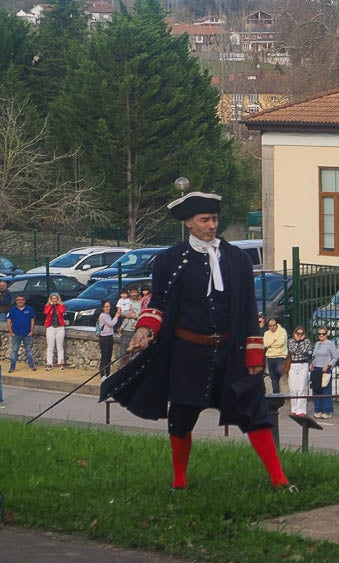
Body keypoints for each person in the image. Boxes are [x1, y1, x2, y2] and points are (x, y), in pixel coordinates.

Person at [100, 190, 290, 491]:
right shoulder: (169, 261)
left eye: (214, 219)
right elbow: (158, 302)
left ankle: (280, 480)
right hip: (187, 354)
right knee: (181, 416)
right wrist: (144, 329)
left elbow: (248, 308)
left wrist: (254, 354)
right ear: (189, 223)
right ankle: (179, 482)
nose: (211, 225)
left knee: (256, 412)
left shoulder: (237, 260)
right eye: (204, 220)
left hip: (231, 353)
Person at [309, 327, 339, 419]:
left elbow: (335, 357)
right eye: (319, 334)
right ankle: (318, 410)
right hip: (316, 369)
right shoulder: (317, 344)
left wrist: (329, 365)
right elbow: (315, 356)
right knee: (316, 390)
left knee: (325, 390)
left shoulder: (330, 344)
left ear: (327, 334)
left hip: (325, 369)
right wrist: (312, 364)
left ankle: (327, 410)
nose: (321, 335)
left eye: (323, 334)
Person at [7, 293, 38, 371]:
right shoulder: (12, 309)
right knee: (14, 351)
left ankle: (31, 366)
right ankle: (12, 367)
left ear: (24, 301)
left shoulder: (29, 309)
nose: (20, 301)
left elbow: (32, 321)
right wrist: (11, 333)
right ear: (16, 301)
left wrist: (31, 331)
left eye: (21, 300)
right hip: (16, 334)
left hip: (27, 334)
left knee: (29, 351)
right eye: (18, 300)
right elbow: (8, 321)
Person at [286, 325, 312, 417]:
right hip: (293, 365)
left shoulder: (307, 341)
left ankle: (301, 410)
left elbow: (304, 351)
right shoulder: (290, 341)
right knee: (293, 388)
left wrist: (300, 341)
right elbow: (293, 351)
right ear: (295, 334)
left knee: (301, 388)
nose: (300, 335)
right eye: (298, 333)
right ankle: (294, 408)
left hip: (303, 365)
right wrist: (297, 341)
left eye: (302, 334)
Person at [262, 316, 288, 395]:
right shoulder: (266, 333)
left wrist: (271, 344)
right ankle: (276, 394)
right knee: (273, 377)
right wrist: (275, 340)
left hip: (280, 356)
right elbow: (265, 344)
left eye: (274, 325)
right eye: (270, 326)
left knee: (278, 371)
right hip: (270, 357)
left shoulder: (282, 331)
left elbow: (280, 343)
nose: (272, 327)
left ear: (276, 324)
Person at [43, 292, 67, 369]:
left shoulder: (61, 306)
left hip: (60, 328)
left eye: (55, 298)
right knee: (50, 347)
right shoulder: (47, 306)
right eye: (52, 298)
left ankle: (61, 363)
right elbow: (46, 312)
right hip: (50, 327)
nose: (54, 300)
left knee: (60, 346)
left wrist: (57, 305)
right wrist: (51, 305)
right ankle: (49, 363)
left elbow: (62, 311)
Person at [95, 300, 118, 379]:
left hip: (109, 336)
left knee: (109, 356)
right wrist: (116, 316)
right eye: (106, 307)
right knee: (104, 356)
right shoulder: (103, 315)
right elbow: (111, 324)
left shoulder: (108, 315)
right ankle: (102, 374)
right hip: (104, 337)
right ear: (103, 308)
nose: (108, 308)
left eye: (109, 306)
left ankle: (108, 373)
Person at [115, 287, 138, 363]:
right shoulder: (121, 301)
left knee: (135, 351)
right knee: (124, 352)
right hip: (126, 330)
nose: (134, 294)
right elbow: (119, 312)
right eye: (132, 292)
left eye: (135, 292)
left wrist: (133, 315)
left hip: (136, 330)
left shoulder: (140, 302)